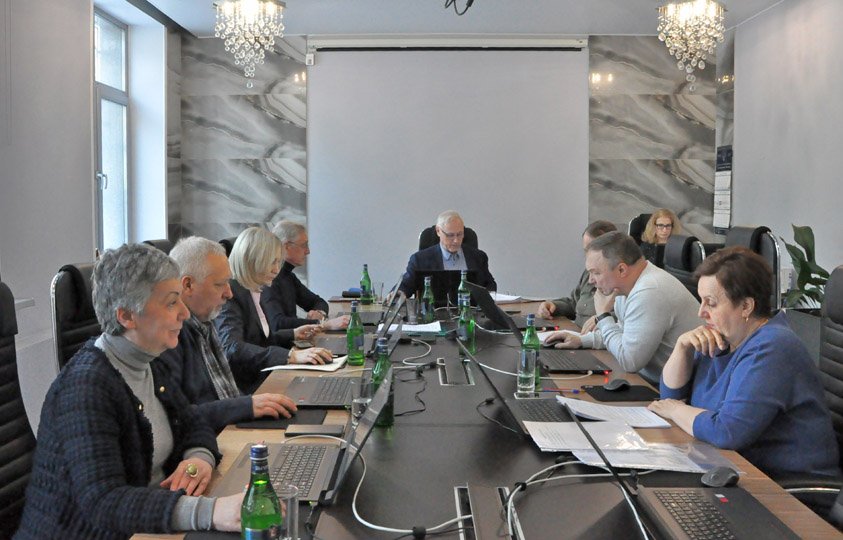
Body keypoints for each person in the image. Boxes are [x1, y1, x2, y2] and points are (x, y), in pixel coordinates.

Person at [14, 244, 242, 539]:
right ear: (127, 316)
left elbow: (192, 422)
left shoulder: (148, 361)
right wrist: (210, 512)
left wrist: (198, 460)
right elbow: (104, 502)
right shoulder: (86, 387)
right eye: (172, 303)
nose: (185, 313)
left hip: (146, 526)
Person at [648, 247, 840, 478]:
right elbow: (670, 396)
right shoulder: (722, 338)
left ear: (746, 306)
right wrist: (682, 348)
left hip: (785, 486)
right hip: (732, 467)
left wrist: (677, 410)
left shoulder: (773, 346)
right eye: (701, 301)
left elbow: (726, 432)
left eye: (711, 303)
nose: (701, 312)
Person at [158, 236, 298, 433]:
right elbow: (178, 419)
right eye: (220, 284)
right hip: (214, 437)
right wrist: (247, 405)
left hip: (231, 427)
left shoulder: (204, 324)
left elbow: (225, 392)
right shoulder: (169, 338)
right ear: (188, 285)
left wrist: (254, 403)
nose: (229, 293)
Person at [545, 231, 700, 384]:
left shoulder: (649, 292)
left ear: (621, 270)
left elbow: (630, 361)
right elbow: (624, 334)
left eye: (595, 273)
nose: (591, 280)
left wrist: (603, 316)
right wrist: (582, 340)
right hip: (651, 380)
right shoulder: (626, 286)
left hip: (673, 390)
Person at [216, 227, 333, 394]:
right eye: (272, 262)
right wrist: (290, 356)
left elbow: (257, 340)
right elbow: (233, 348)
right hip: (250, 389)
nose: (276, 270)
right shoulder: (231, 294)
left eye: (278, 263)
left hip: (265, 378)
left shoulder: (253, 289)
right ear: (253, 260)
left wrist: (292, 334)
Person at [263, 220, 349, 331]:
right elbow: (278, 324)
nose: (308, 251)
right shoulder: (268, 279)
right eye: (304, 245)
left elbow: (317, 301)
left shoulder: (288, 276)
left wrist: (319, 313)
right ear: (286, 246)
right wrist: (322, 324)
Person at [536, 220, 617, 330]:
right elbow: (574, 303)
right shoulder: (588, 273)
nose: (588, 255)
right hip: (576, 333)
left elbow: (628, 317)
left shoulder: (619, 277)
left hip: (598, 337)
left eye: (593, 250)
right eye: (586, 251)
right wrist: (554, 306)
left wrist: (603, 319)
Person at [397, 210, 496, 297]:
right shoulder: (420, 259)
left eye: (460, 234)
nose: (456, 240)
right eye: (450, 235)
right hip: (434, 311)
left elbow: (490, 285)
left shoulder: (478, 257)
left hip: (471, 311)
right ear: (438, 231)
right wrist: (398, 293)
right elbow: (406, 285)